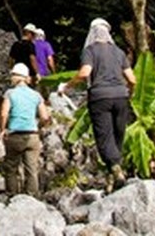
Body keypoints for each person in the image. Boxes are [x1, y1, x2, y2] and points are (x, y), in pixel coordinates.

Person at [59, 18, 136, 191]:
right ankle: (112, 181)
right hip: (121, 96)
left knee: (104, 138)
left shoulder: (90, 50)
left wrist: (67, 86)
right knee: (117, 138)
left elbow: (85, 72)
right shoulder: (119, 52)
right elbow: (132, 79)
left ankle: (116, 170)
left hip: (100, 97)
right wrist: (129, 93)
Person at [0, 62, 51, 197]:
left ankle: (12, 195)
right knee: (32, 169)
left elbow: (4, 113)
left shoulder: (10, 93)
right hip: (32, 136)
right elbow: (45, 117)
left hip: (14, 136)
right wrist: (38, 128)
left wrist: (2, 130)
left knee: (11, 168)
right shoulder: (36, 95)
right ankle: (32, 196)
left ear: (15, 77)